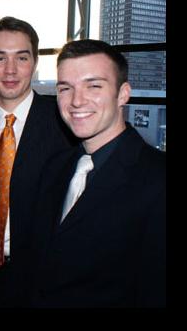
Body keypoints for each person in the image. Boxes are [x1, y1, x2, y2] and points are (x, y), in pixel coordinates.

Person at [23, 39, 165, 307]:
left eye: (94, 86)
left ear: (123, 94)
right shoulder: (55, 167)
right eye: (66, 88)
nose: (77, 101)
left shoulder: (157, 178)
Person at [0, 17, 75, 307]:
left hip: (45, 286)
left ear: (35, 63)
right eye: (0, 58)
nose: (10, 70)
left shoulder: (65, 127)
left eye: (21, 57)